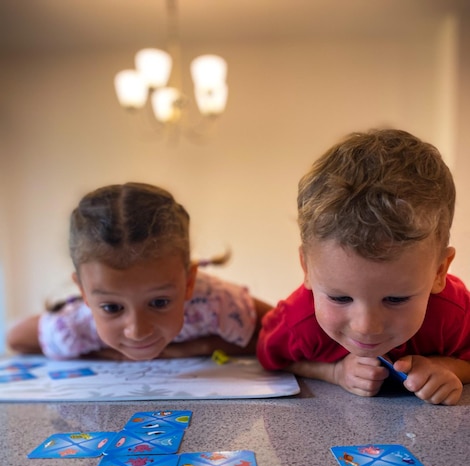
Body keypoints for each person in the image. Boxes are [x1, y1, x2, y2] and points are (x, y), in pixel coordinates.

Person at [257, 128, 470, 406]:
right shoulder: (301, 321)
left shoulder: (453, 313)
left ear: (440, 271)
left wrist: (450, 368)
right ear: (306, 268)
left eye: (396, 299)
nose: (366, 326)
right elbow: (270, 355)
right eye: (340, 297)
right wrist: (333, 372)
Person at [7, 182, 272, 361]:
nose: (137, 331)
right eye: (111, 307)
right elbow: (16, 339)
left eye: (159, 302)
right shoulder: (76, 326)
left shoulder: (217, 302)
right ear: (83, 292)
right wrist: (112, 356)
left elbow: (280, 333)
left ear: (189, 281)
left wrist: (197, 347)